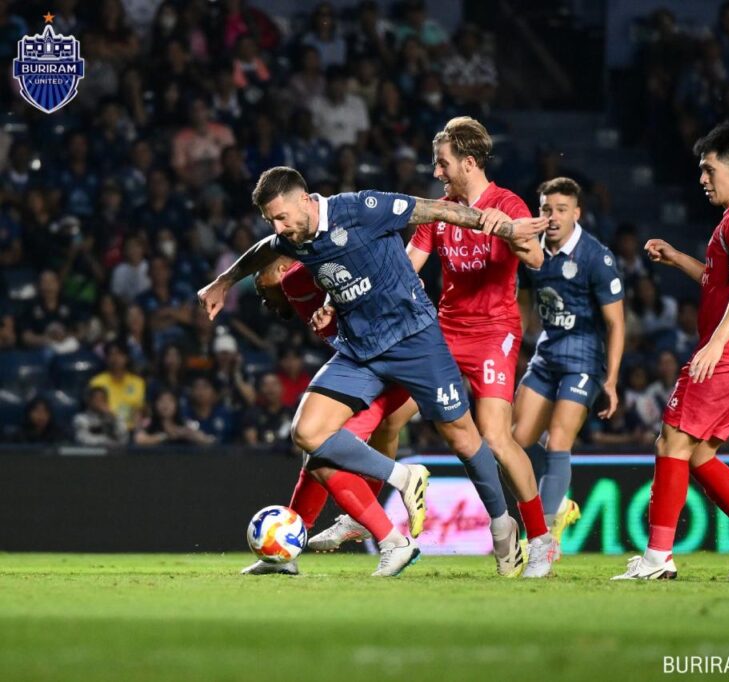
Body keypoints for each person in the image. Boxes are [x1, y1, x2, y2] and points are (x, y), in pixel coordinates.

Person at [198, 166, 546, 578]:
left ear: (304, 199)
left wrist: (498, 225)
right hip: (360, 351)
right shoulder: (293, 238)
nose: (279, 227)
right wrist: (223, 281)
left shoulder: (361, 208)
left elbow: (435, 209)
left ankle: (502, 525)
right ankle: (400, 487)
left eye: (282, 216)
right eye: (271, 220)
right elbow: (264, 250)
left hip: (414, 341)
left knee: (464, 436)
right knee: (309, 434)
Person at [614, 122, 729, 581]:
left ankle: (657, 559)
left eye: (709, 170)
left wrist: (715, 344)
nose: (702, 179)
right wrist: (677, 258)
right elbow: (722, 281)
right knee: (699, 454)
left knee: (670, 442)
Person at [404, 116, 557, 577]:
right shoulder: (443, 208)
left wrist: (506, 229)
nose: (437, 172)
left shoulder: (507, 203)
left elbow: (536, 259)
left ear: (468, 163)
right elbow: (411, 265)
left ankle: (541, 540)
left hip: (493, 332)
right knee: (391, 411)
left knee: (495, 435)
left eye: (443, 163)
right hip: (445, 330)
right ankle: (366, 518)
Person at [240, 251, 418, 576]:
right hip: (378, 369)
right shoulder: (303, 297)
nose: (263, 299)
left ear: (281, 269)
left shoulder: (303, 273)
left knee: (324, 451)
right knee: (317, 456)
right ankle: (287, 552)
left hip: (388, 367)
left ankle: (395, 539)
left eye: (261, 286)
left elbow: (344, 257)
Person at [512, 177, 625, 565]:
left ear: (577, 213)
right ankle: (558, 505)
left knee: (558, 441)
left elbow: (616, 324)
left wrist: (610, 380)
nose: (553, 216)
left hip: (584, 361)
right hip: (546, 356)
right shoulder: (530, 250)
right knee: (512, 442)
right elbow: (525, 300)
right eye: (546, 209)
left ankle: (544, 538)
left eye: (561, 209)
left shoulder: (596, 257)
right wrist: (516, 341)